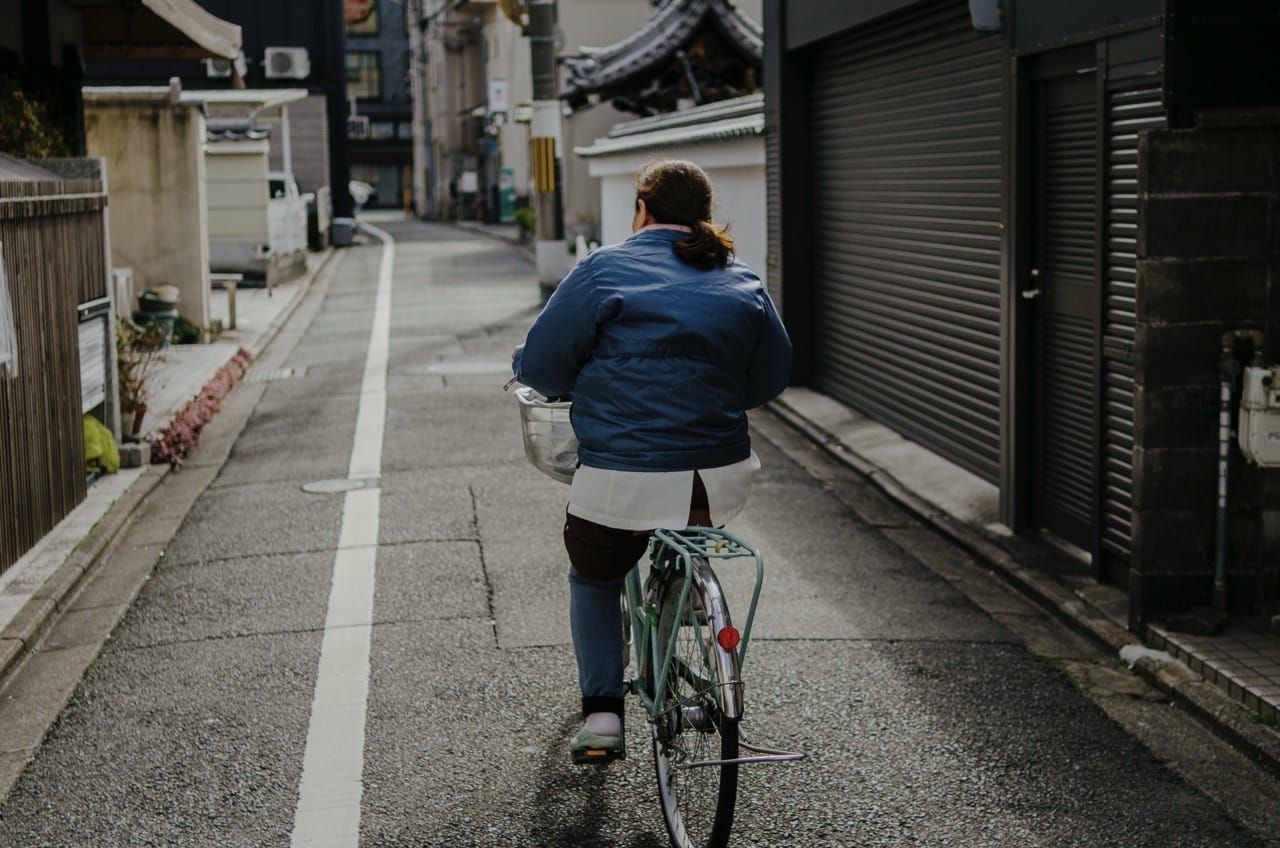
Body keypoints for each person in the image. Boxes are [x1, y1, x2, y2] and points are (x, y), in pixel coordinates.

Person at [511, 159, 792, 762]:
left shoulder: (602, 269)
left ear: (641, 209)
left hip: (621, 481)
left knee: (595, 572)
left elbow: (538, 368)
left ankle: (605, 717)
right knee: (680, 526)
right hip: (717, 480)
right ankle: (681, 600)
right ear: (705, 216)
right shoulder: (739, 277)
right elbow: (771, 376)